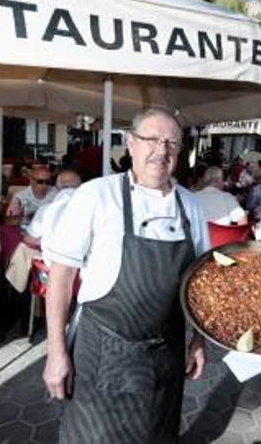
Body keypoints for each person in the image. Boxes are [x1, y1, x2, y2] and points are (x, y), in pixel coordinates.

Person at [41, 108, 210, 443]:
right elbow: (60, 278)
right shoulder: (96, 195)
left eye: (171, 143)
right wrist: (56, 352)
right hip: (104, 352)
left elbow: (203, 283)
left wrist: (200, 340)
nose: (161, 150)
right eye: (151, 139)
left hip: (166, 355)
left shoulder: (191, 205)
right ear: (130, 144)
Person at [23, 168, 82, 248]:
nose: (44, 186)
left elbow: (29, 239)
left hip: (56, 257)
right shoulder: (95, 208)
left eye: (47, 182)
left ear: (57, 188)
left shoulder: (46, 210)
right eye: (40, 182)